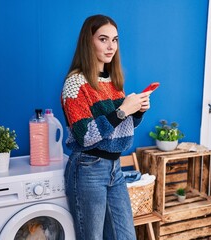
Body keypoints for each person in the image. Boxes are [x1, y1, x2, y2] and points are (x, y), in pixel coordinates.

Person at [61, 14, 152, 240]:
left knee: (126, 236)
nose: (111, 46)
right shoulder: (75, 83)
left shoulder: (113, 81)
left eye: (115, 40)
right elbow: (85, 136)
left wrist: (137, 111)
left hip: (115, 168)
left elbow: (120, 131)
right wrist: (122, 111)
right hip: (87, 168)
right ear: (88, 41)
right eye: (103, 39)